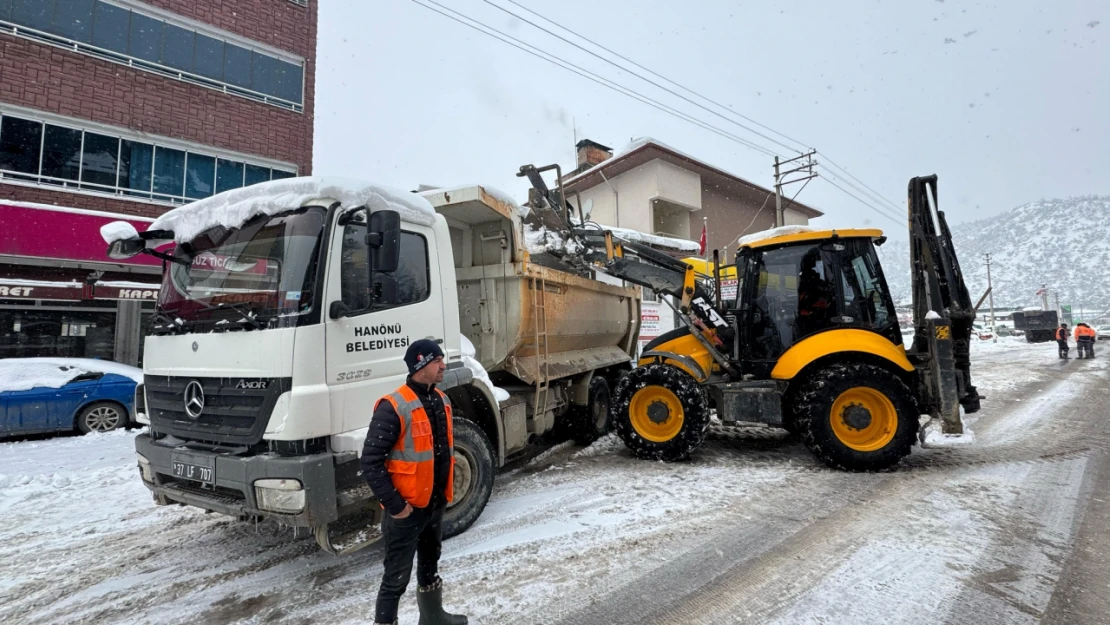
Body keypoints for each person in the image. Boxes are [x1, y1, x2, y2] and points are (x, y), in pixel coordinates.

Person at [362, 339, 468, 625]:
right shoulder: (393, 406)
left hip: (433, 503)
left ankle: (433, 617)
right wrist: (396, 507)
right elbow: (370, 462)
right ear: (421, 366)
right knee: (395, 579)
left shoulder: (441, 399)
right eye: (437, 361)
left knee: (430, 563)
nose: (443, 365)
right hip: (406, 510)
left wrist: (443, 496)